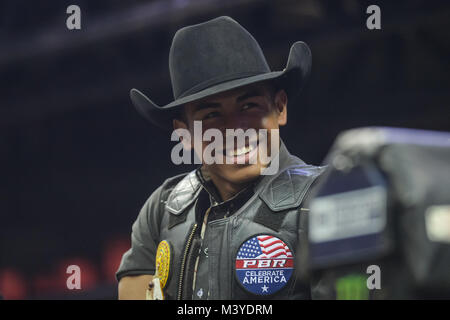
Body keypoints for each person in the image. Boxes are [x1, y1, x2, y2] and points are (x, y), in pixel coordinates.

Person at [116, 16, 325, 300]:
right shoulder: (163, 208)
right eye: (212, 115)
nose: (235, 129)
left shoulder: (324, 197)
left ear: (279, 108)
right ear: (185, 134)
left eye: (249, 105)